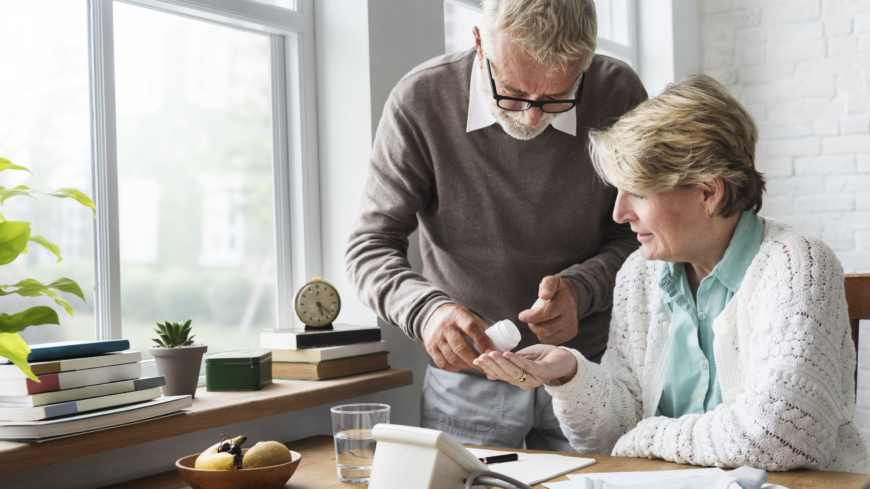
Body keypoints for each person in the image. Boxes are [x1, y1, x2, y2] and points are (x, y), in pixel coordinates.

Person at [475, 74, 870, 472]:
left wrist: (648, 436)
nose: (619, 213)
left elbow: (785, 434)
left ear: (708, 192)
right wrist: (571, 375)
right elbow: (613, 434)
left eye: (639, 192)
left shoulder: (796, 264)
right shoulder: (638, 274)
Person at [346, 0, 647, 451]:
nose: (530, 117)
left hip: (587, 368)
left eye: (555, 99)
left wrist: (583, 289)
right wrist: (428, 312)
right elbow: (370, 245)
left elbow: (638, 235)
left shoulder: (617, 93)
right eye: (511, 91)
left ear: (586, 61)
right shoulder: (421, 99)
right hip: (468, 379)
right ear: (479, 41)